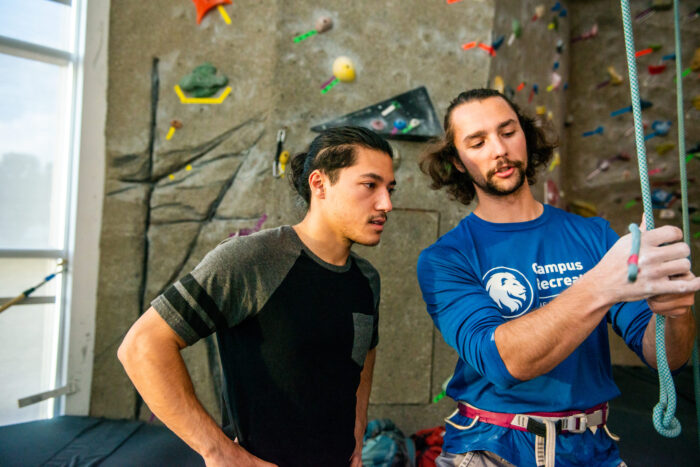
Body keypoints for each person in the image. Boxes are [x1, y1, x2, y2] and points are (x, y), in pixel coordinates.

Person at [416, 88, 698, 467]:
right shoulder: (446, 259)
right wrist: (603, 283)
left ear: (526, 138)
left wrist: (675, 311)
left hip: (593, 448)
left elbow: (665, 357)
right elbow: (505, 362)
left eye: (508, 131)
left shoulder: (594, 237)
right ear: (459, 162)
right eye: (478, 142)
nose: (499, 149)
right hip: (493, 447)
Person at [118, 126, 397, 467]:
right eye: (370, 185)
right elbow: (142, 346)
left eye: (389, 188)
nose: (386, 203)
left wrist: (356, 437)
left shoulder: (367, 279)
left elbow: (362, 357)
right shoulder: (251, 259)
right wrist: (220, 452)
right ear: (320, 184)